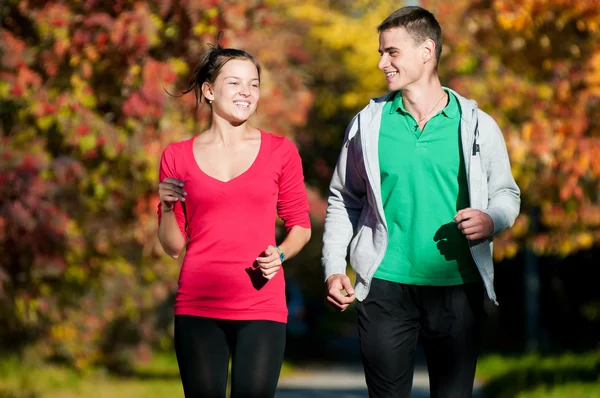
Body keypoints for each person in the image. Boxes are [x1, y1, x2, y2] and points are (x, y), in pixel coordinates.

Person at [322, 6, 520, 398]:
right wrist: (333, 267)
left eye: (391, 52)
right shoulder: (368, 123)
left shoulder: (476, 123)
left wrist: (491, 219)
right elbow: (343, 197)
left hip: (456, 287)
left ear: (426, 51)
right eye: (381, 52)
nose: (382, 63)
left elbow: (507, 193)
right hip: (383, 286)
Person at [157, 41, 311, 398]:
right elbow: (173, 246)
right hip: (199, 303)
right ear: (209, 91)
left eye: (254, 84)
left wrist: (281, 255)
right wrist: (166, 209)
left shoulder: (280, 151)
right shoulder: (176, 156)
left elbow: (300, 225)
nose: (247, 92)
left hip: (261, 303)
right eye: (235, 83)